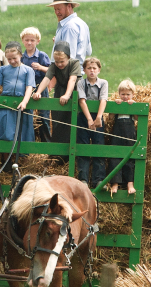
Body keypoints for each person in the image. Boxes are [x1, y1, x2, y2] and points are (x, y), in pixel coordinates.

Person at [33, 41, 81, 162]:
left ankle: (70, 157)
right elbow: (47, 78)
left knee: (72, 123)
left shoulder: (74, 63)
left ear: (68, 58)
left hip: (74, 93)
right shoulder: (54, 66)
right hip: (59, 93)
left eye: (62, 62)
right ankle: (57, 157)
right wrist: (38, 91)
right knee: (57, 123)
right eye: (57, 61)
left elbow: (72, 80)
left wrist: (67, 95)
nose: (59, 64)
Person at [0, 41, 36, 143]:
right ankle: (6, 157)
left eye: (14, 58)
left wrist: (24, 102)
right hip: (6, 105)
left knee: (23, 133)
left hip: (21, 105)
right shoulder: (3, 69)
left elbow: (29, 88)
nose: (12, 61)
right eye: (9, 59)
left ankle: (21, 158)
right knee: (6, 132)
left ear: (20, 54)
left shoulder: (28, 70)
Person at [76, 57, 108, 189]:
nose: (92, 71)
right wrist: (89, 119)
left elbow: (103, 100)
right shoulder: (81, 83)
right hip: (84, 117)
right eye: (89, 68)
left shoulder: (103, 83)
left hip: (98, 117)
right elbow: (82, 101)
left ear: (99, 70)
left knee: (98, 146)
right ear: (84, 70)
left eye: (94, 68)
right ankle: (83, 179)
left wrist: (98, 117)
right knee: (83, 146)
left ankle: (99, 179)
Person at [47, 0, 92, 73]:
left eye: (59, 9)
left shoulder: (69, 27)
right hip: (77, 74)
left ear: (69, 6)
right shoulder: (82, 24)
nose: (57, 12)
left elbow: (68, 57)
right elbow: (88, 51)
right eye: (55, 9)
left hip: (67, 76)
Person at [20, 27, 51, 142]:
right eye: (27, 40)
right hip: (25, 88)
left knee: (43, 117)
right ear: (23, 41)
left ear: (38, 41)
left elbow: (51, 71)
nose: (29, 42)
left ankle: (46, 145)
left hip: (40, 87)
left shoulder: (42, 56)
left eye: (32, 40)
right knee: (28, 117)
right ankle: (29, 143)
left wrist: (41, 67)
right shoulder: (21, 57)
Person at [109, 79, 137, 195]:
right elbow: (110, 118)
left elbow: (137, 118)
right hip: (117, 134)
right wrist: (115, 107)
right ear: (119, 94)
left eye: (128, 94)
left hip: (129, 134)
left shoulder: (133, 104)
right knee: (115, 157)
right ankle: (115, 183)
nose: (125, 97)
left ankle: (130, 183)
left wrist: (133, 106)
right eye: (123, 94)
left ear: (132, 95)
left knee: (129, 157)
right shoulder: (117, 103)